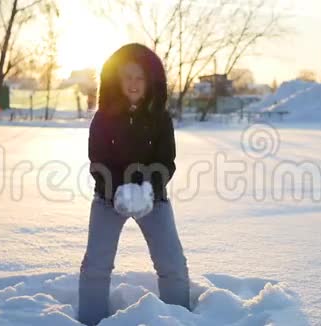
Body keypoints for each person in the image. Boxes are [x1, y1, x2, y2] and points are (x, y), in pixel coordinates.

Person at [78, 43, 190, 325]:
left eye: (139, 77)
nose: (133, 83)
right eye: (127, 76)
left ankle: (179, 318)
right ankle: (90, 320)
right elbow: (97, 159)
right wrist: (119, 190)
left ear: (150, 81)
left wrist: (147, 189)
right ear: (117, 80)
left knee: (173, 265)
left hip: (154, 200)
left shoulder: (161, 119)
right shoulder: (102, 119)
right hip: (107, 199)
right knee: (96, 267)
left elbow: (166, 160)